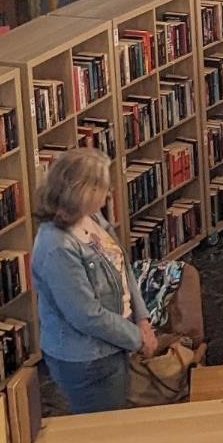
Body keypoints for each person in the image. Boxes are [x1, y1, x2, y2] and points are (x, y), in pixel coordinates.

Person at [31, 148, 155, 414]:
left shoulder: (91, 216)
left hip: (113, 343)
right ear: (83, 192)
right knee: (106, 429)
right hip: (87, 359)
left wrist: (142, 319)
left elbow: (121, 265)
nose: (108, 194)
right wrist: (137, 338)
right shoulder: (57, 247)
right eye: (102, 187)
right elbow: (86, 315)